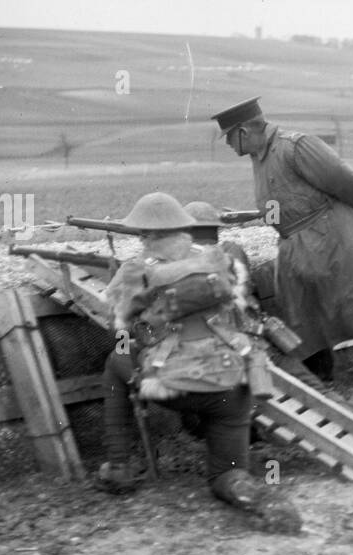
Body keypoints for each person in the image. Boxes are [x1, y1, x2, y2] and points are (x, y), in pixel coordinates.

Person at [211, 97, 353, 426]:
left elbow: (351, 182)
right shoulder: (259, 156)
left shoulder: (296, 147)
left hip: (338, 243)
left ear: (243, 131)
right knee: (305, 326)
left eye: (228, 136)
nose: (227, 143)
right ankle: (329, 402)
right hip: (298, 252)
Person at [97, 192, 300, 534]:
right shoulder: (218, 260)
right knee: (227, 472)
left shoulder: (136, 269)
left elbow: (117, 323)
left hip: (176, 384)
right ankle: (256, 495)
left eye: (141, 234)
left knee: (114, 360)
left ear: (146, 235)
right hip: (232, 383)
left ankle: (119, 467)